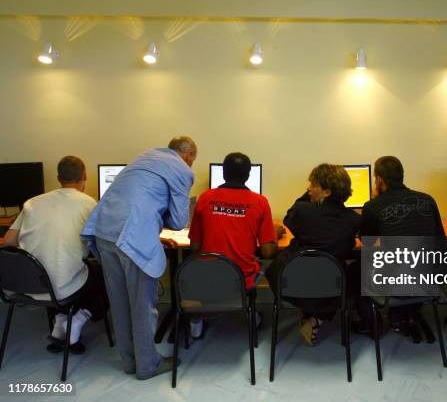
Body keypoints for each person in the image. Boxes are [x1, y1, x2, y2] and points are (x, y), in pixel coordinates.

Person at [81, 136, 196, 380]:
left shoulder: (144, 156)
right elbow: (178, 222)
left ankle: (129, 361)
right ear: (188, 157)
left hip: (103, 232)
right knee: (142, 305)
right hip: (131, 236)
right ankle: (147, 365)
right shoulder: (182, 169)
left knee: (120, 302)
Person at [3, 156, 108, 352]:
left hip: (25, 285)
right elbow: (100, 244)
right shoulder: (89, 203)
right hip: (60, 288)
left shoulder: (32, 202)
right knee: (105, 274)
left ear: (58, 177)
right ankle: (77, 319)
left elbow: (8, 241)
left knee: (58, 265)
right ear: (84, 177)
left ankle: (60, 320)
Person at [187, 152, 283, 337]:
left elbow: (195, 247)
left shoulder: (205, 198)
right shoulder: (260, 202)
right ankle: (251, 314)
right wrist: (276, 232)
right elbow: (268, 251)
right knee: (259, 265)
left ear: (223, 173)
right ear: (248, 176)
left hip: (205, 279)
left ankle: (196, 320)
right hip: (241, 281)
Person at [266, 163, 360, 345]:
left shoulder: (302, 211)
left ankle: (309, 313)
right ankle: (318, 316)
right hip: (330, 287)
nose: (308, 188)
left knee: (279, 267)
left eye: (313, 185)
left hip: (292, 285)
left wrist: (306, 197)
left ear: (327, 192)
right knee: (349, 275)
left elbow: (288, 218)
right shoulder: (354, 219)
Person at [354, 156, 445, 342]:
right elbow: (440, 240)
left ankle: (372, 324)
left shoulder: (373, 206)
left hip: (395, 285)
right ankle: (403, 314)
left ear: (379, 179)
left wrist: (374, 205)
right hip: (429, 281)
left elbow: (367, 243)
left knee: (356, 269)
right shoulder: (428, 200)